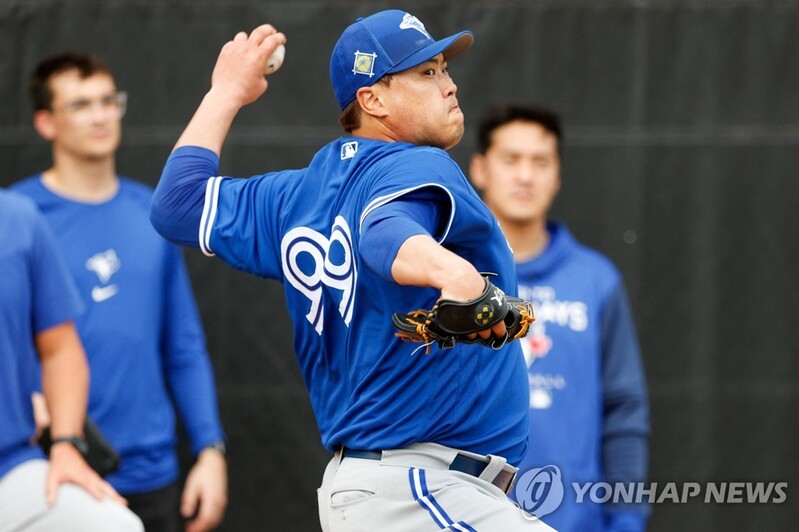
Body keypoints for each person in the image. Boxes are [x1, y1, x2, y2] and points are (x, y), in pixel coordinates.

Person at [149, 9, 553, 531]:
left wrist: (224, 93)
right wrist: (459, 279)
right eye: (426, 73)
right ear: (373, 100)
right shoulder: (414, 162)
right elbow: (383, 231)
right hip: (421, 489)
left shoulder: (293, 197)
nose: (449, 85)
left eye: (444, 69)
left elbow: (178, 204)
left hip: (377, 489)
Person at [12, 52, 227, 532]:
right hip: (52, 470)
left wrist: (210, 449)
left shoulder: (152, 214)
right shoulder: (19, 219)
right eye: (81, 104)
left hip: (152, 473)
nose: (100, 116)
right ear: (46, 122)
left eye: (108, 101)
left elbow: (183, 346)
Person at [469, 103, 651, 531]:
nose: (525, 176)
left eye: (540, 162)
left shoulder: (597, 281)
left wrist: (626, 519)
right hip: (465, 516)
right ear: (480, 169)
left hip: (574, 520)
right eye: (511, 160)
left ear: (557, 175)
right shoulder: (452, 278)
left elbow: (623, 410)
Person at [0, 189, 143, 531]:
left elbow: (60, 349)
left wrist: (66, 444)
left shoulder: (17, 218)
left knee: (117, 526)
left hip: (11, 465)